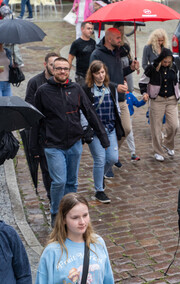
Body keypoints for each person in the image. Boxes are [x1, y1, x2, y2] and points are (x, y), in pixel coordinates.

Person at [30, 57, 109, 227]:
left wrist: (103, 137)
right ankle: (56, 213)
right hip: (52, 145)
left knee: (72, 181)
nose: (62, 72)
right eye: (58, 68)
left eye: (65, 69)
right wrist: (33, 146)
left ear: (70, 70)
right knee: (59, 181)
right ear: (52, 69)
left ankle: (70, 212)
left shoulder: (76, 89)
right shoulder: (43, 91)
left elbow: (90, 113)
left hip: (74, 143)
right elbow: (35, 120)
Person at [90, 27, 140, 170]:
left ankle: (112, 153)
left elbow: (117, 73)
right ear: (109, 38)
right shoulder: (96, 54)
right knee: (109, 131)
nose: (121, 41)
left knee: (126, 129)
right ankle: (108, 159)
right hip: (106, 100)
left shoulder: (117, 52)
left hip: (121, 98)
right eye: (118, 38)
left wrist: (130, 68)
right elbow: (93, 79)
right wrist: (114, 87)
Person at [36, 193, 114, 283]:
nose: (82, 222)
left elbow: (108, 279)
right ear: (64, 219)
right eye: (75, 217)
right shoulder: (51, 252)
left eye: (85, 215)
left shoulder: (98, 243)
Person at [82, 60, 125, 204]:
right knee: (99, 159)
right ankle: (99, 190)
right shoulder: (87, 90)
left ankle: (100, 177)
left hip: (110, 128)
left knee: (112, 158)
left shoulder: (110, 88)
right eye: (97, 73)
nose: (101, 75)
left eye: (102, 72)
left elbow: (115, 107)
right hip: (95, 131)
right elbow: (84, 110)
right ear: (92, 74)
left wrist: (118, 122)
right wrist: (85, 128)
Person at [24, 52, 59, 201]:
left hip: (58, 132)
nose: (55, 68)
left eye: (57, 65)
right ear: (46, 65)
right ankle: (52, 197)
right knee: (46, 170)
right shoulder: (35, 82)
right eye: (52, 65)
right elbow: (29, 107)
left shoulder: (62, 81)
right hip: (42, 133)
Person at [139, 48, 180, 162]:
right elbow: (142, 81)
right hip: (157, 100)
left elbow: (177, 81)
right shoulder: (152, 68)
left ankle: (168, 143)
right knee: (156, 127)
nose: (166, 64)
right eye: (165, 62)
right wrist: (144, 93)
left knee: (174, 125)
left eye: (169, 62)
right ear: (161, 59)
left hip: (172, 99)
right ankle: (158, 151)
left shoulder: (174, 67)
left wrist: (178, 93)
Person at [68, 22, 96, 86]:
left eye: (92, 29)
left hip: (92, 74)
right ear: (82, 29)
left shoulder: (93, 42)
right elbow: (70, 58)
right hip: (81, 75)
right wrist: (67, 72)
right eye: (88, 28)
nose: (90, 30)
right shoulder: (76, 43)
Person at [125, 91, 147, 161]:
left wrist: (143, 100)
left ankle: (133, 153)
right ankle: (114, 154)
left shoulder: (130, 95)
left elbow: (137, 104)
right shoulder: (115, 93)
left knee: (130, 135)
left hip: (128, 118)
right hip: (118, 118)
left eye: (125, 82)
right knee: (117, 137)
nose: (124, 85)